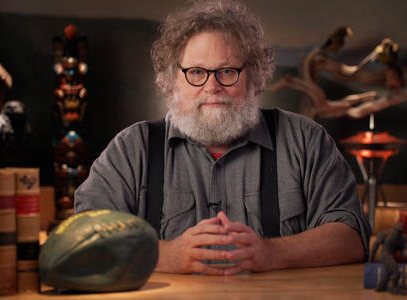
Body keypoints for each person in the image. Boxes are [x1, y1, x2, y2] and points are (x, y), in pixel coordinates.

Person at [74, 0, 370, 276]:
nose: (212, 86)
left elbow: (352, 237)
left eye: (227, 71)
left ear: (252, 77)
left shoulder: (306, 141)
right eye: (197, 72)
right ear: (171, 81)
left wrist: (272, 252)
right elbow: (83, 237)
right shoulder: (132, 149)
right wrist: (167, 256)